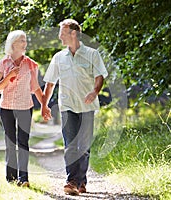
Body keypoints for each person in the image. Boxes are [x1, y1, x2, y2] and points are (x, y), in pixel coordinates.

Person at [42, 19, 108, 195]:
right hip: (67, 106)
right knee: (70, 145)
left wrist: (95, 91)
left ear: (73, 33)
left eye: (62, 33)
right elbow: (50, 83)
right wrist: (44, 104)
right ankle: (71, 181)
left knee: (84, 147)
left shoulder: (92, 54)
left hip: (87, 107)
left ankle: (81, 181)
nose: (59, 37)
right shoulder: (58, 57)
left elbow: (100, 76)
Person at [0, 30, 47, 187]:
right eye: (22, 40)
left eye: (25, 40)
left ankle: (24, 178)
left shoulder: (31, 64)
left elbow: (36, 87)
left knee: (23, 141)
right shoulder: (2, 64)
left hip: (25, 106)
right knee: (10, 142)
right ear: (13, 44)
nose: (25, 43)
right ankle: (11, 178)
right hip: (6, 107)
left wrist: (44, 105)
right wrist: (9, 75)